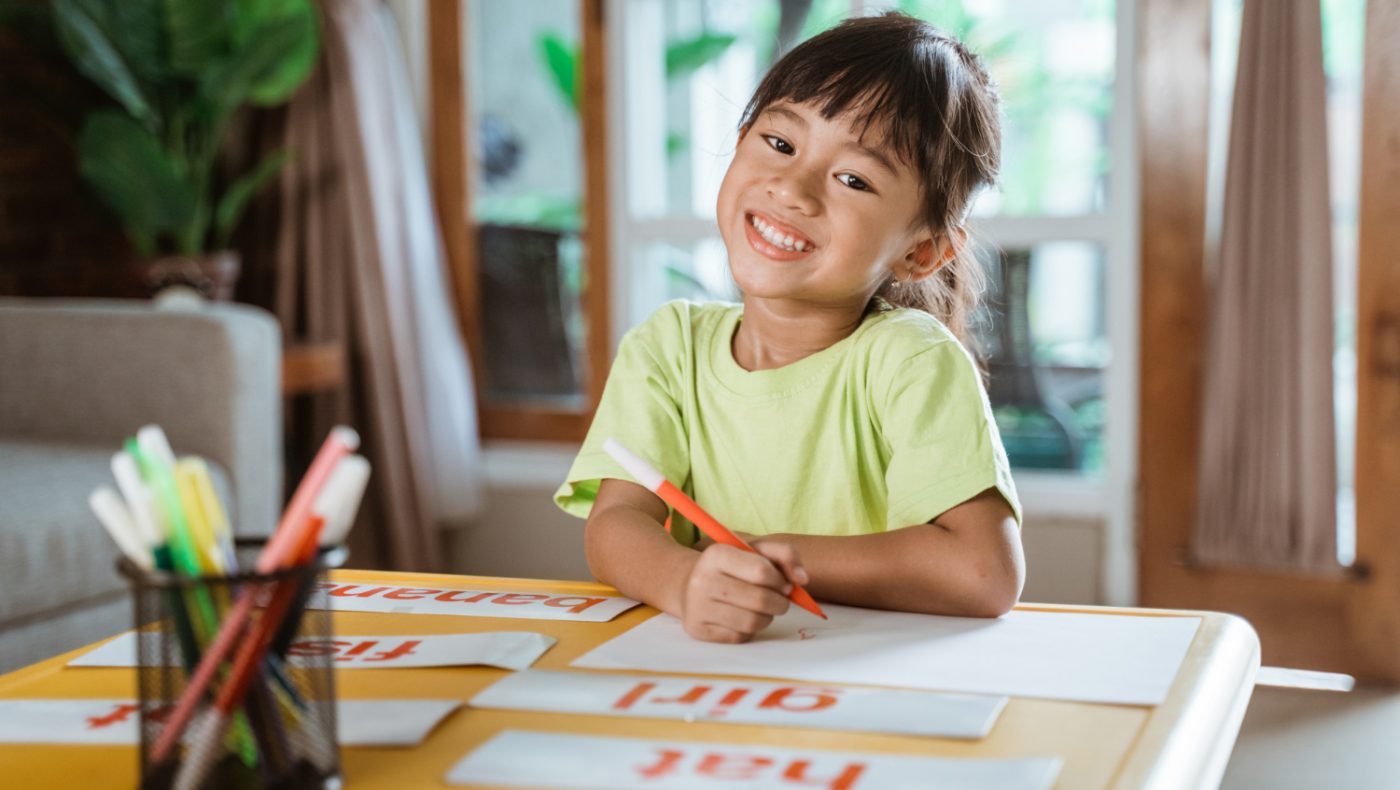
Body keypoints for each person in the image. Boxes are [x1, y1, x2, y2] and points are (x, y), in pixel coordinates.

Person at [555, 11, 1023, 643]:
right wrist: (685, 584)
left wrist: (758, 554)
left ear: (923, 251)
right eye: (780, 143)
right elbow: (615, 527)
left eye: (854, 179)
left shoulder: (911, 361)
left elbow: (982, 572)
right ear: (743, 136)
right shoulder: (667, 348)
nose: (793, 189)